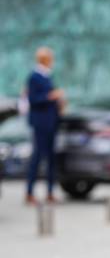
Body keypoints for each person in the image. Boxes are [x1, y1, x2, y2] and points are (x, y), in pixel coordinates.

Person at [25, 47, 66, 204]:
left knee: (50, 158)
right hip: (41, 123)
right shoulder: (34, 77)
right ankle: (29, 192)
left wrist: (59, 103)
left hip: (51, 122)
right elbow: (34, 100)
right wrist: (51, 96)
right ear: (45, 59)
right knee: (37, 156)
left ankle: (50, 191)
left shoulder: (47, 76)